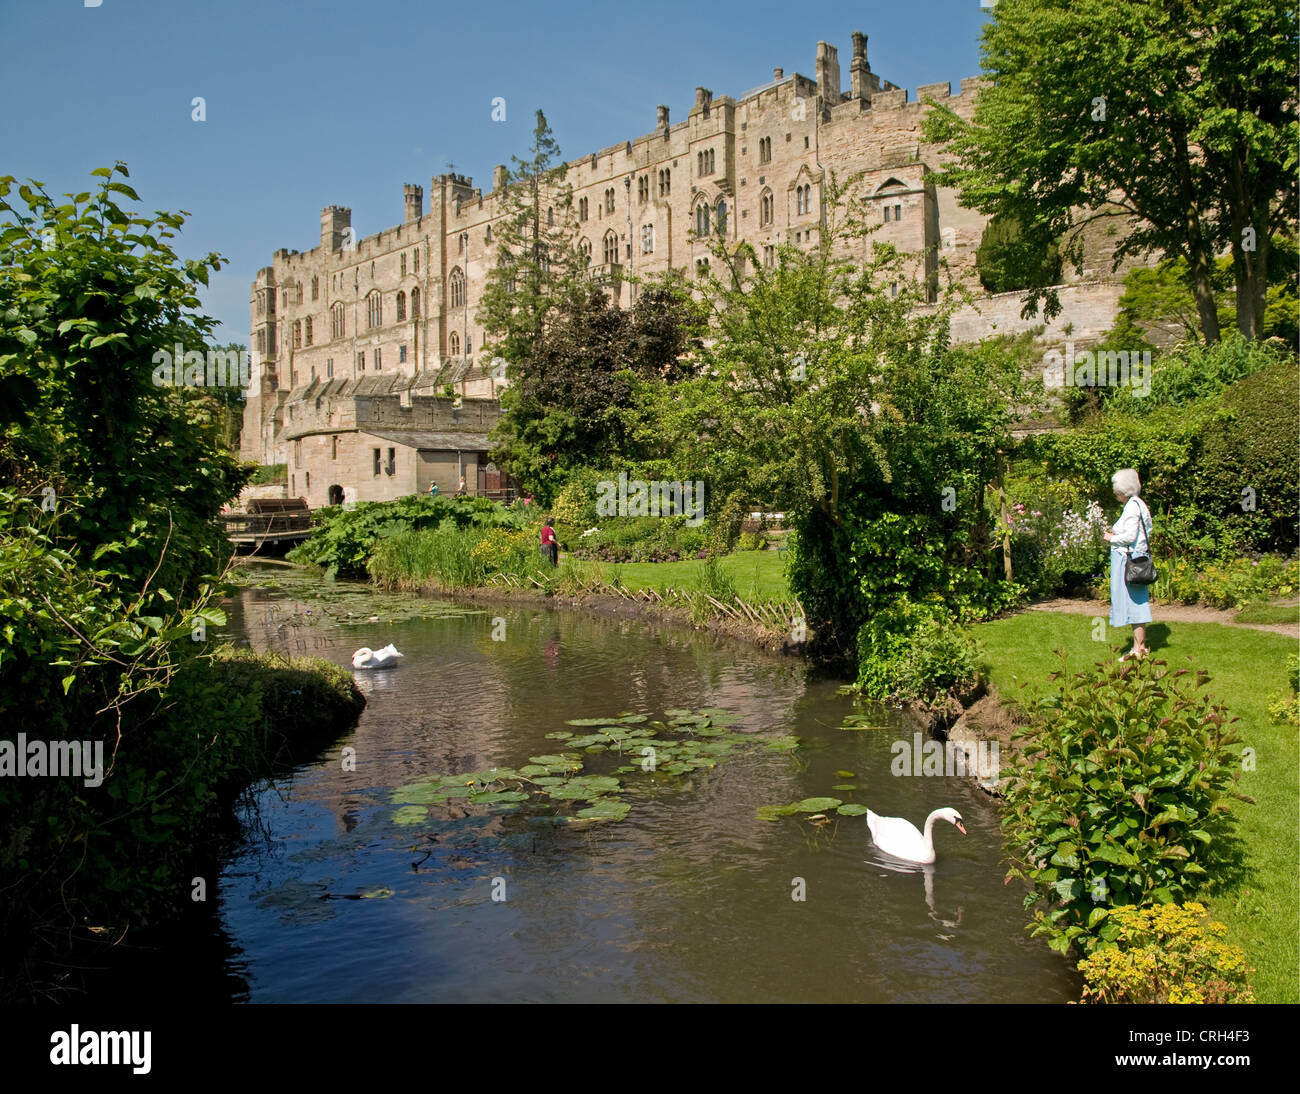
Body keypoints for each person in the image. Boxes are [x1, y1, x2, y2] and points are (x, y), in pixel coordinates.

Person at [1102, 468, 1153, 659]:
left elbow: (1131, 536)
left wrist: (1111, 538)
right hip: (1133, 558)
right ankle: (1138, 647)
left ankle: (1139, 649)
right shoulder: (1137, 504)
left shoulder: (1132, 506)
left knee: (1135, 603)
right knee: (1135, 602)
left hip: (1130, 561)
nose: (1116, 495)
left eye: (1117, 491)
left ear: (1124, 490)